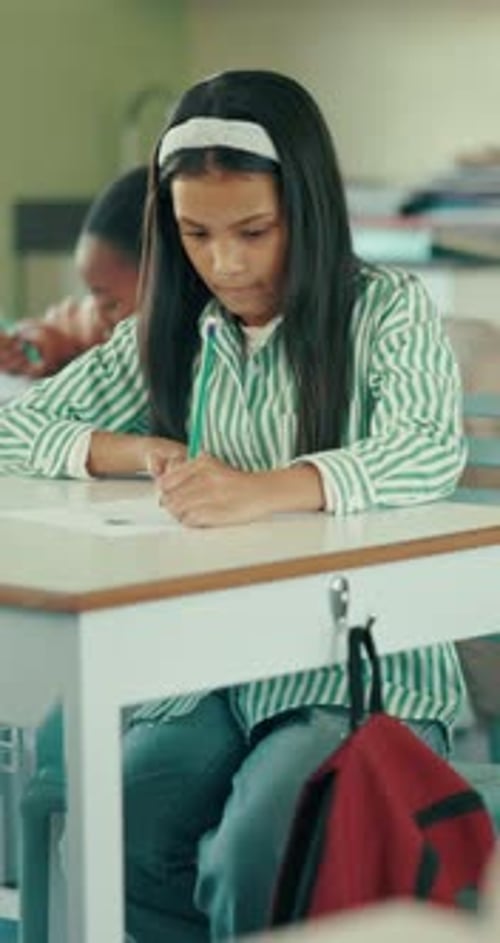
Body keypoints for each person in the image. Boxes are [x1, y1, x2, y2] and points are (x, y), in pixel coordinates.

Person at [0, 70, 467, 943]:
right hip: (217, 667)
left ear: (309, 210)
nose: (226, 263)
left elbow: (427, 448)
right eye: (195, 235)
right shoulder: (174, 327)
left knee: (261, 842)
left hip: (354, 668)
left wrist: (268, 489)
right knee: (126, 819)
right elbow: (16, 426)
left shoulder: (384, 312)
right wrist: (135, 450)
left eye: (254, 230)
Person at [0, 165, 148, 378]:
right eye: (94, 295)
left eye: (111, 304)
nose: (99, 315)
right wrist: (46, 340)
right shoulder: (100, 319)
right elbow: (65, 327)